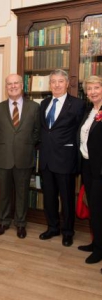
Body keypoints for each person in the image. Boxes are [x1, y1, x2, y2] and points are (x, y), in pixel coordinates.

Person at [39, 69, 85, 247]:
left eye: (60, 81)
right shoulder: (44, 104)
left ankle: (68, 232)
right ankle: (52, 227)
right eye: (53, 82)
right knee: (49, 198)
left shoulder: (78, 104)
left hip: (66, 159)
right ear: (49, 84)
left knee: (66, 199)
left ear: (67, 84)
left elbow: (80, 132)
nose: (56, 85)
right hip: (46, 159)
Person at [0, 74, 40, 239]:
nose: (13, 86)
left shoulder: (34, 107)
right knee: (4, 193)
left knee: (22, 193)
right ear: (6, 87)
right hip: (3, 159)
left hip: (24, 158)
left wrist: (26, 144)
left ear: (22, 85)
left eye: (16, 83)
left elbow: (37, 132)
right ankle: (3, 222)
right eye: (9, 84)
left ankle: (20, 224)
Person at [78, 75, 102, 264]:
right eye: (89, 89)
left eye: (96, 87)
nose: (93, 92)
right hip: (87, 166)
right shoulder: (89, 111)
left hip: (100, 169)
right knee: (94, 208)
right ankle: (96, 243)